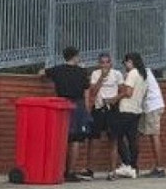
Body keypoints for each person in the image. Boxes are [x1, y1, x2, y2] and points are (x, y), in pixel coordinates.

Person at [41, 46, 92, 181]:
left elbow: (41, 73)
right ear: (75, 56)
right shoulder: (82, 72)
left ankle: (58, 169)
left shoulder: (57, 70)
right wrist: (87, 108)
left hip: (62, 104)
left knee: (61, 138)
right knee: (75, 139)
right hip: (77, 105)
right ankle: (70, 171)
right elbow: (87, 89)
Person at [110, 52, 147, 179]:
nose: (125, 65)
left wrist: (115, 98)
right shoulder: (143, 75)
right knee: (132, 139)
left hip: (126, 109)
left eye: (125, 63)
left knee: (117, 137)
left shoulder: (132, 73)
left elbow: (128, 92)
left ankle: (126, 163)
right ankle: (133, 166)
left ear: (130, 61)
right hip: (136, 109)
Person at [86, 52, 123, 174]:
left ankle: (112, 170)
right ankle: (90, 169)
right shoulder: (95, 74)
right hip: (98, 108)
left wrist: (114, 99)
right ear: (99, 64)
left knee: (113, 139)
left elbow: (122, 91)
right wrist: (102, 77)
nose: (105, 65)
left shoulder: (117, 74)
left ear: (111, 63)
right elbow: (93, 92)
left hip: (112, 109)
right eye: (102, 62)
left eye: (107, 62)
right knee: (94, 140)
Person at [140, 63, 166, 177]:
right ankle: (157, 166)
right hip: (151, 107)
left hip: (152, 107)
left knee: (154, 136)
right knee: (151, 136)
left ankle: (160, 167)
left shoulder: (142, 73)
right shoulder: (146, 71)